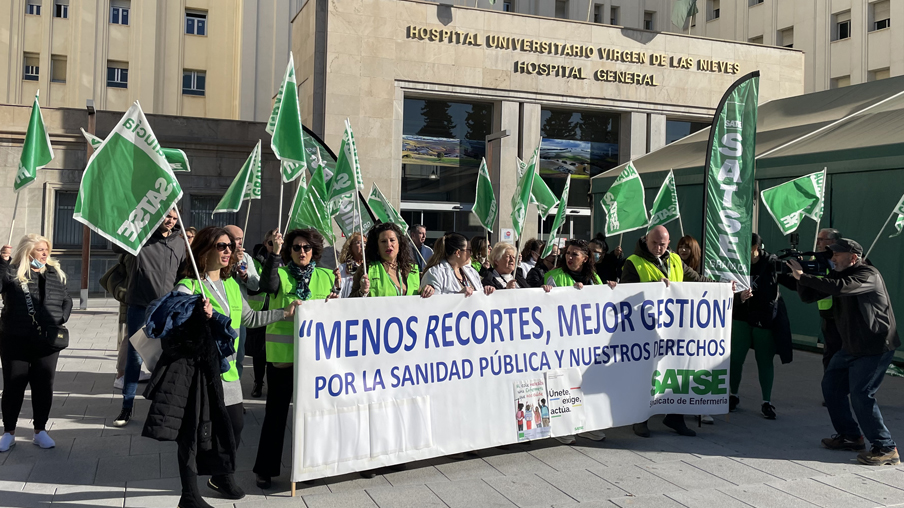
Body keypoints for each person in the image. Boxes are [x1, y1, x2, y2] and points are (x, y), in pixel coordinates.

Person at [173, 226, 294, 503]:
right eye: (221, 246)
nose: (229, 251)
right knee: (193, 434)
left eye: (230, 246)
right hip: (198, 373)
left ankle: (221, 475)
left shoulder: (231, 285)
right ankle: (189, 494)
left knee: (234, 427)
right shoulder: (189, 286)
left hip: (227, 373)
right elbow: (176, 328)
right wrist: (197, 316)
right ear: (204, 250)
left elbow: (249, 319)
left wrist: (283, 313)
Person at [789, 238, 901, 466]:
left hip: (874, 347)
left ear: (853, 257)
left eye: (837, 255)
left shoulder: (868, 275)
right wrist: (800, 276)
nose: (832, 258)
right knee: (831, 388)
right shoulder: (839, 275)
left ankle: (886, 447)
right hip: (850, 346)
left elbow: (840, 288)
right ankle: (850, 436)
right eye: (831, 254)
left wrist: (804, 276)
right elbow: (808, 296)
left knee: (862, 394)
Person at [622, 225, 730, 438]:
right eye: (654, 243)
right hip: (646, 330)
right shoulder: (633, 262)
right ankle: (640, 419)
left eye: (663, 244)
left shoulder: (674, 260)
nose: (659, 248)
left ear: (669, 243)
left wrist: (724, 287)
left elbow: (697, 281)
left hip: (672, 331)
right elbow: (627, 294)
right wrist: (655, 287)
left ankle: (675, 416)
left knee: (676, 369)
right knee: (645, 374)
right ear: (646, 240)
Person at [253, 229, 337, 489]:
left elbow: (339, 309)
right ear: (289, 250)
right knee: (276, 415)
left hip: (315, 360)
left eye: (307, 248)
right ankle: (265, 470)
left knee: (314, 415)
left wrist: (337, 298)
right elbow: (266, 286)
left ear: (315, 251)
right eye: (297, 247)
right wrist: (274, 255)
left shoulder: (325, 275)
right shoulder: (280, 273)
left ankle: (310, 467)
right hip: (284, 358)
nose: (303, 252)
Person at [113, 207, 186, 427]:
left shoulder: (180, 243)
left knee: (165, 356)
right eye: (167, 216)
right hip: (140, 305)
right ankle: (126, 406)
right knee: (135, 357)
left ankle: (163, 405)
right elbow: (116, 243)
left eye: (174, 218)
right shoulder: (140, 237)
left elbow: (183, 273)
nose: (171, 221)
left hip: (166, 308)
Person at [0, 235, 71, 452]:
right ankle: (8, 432)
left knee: (43, 386)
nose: (44, 253)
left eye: (46, 249)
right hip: (15, 338)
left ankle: (40, 430)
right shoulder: (12, 271)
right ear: (28, 251)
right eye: (40, 250)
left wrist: (61, 317)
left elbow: (66, 299)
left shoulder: (54, 272)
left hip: (47, 341)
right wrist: (2, 262)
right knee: (13, 385)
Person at [541, 239, 614, 444]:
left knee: (587, 382)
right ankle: (563, 427)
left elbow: (603, 304)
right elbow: (547, 305)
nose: (570, 257)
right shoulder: (554, 276)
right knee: (563, 381)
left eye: (575, 254)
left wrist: (610, 288)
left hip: (587, 342)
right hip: (562, 341)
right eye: (568, 253)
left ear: (585, 258)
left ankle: (588, 425)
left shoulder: (594, 278)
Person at [729, 233, 794, 420]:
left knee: (764, 360)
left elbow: (791, 282)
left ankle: (767, 401)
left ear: (755, 248)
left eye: (744, 247)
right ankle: (733, 395)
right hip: (740, 315)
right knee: (735, 358)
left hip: (764, 317)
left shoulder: (771, 262)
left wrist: (802, 276)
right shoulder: (735, 262)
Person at [351, 223, 431, 298]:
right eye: (383, 241)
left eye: (392, 240)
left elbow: (418, 296)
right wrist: (361, 292)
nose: (388, 245)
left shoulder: (412, 269)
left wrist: (428, 290)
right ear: (376, 246)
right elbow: (349, 303)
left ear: (399, 244)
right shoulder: (366, 269)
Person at [225, 225, 260, 381]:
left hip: (239, 312)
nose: (238, 242)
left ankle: (235, 394)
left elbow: (256, 285)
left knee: (238, 355)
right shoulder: (216, 254)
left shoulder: (246, 258)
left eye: (240, 239)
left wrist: (245, 276)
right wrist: (232, 262)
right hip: (220, 310)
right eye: (235, 239)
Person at [246, 230, 278, 398]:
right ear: (266, 243)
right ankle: (258, 383)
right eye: (271, 243)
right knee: (259, 352)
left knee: (273, 350)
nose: (274, 246)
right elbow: (253, 284)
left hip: (276, 308)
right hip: (258, 310)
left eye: (278, 242)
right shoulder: (254, 260)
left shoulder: (284, 260)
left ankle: (272, 384)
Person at [421, 232, 494, 297]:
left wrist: (486, 291)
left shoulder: (472, 272)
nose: (471, 254)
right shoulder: (435, 273)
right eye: (469, 250)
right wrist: (458, 297)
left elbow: (480, 295)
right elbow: (432, 306)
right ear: (458, 253)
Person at [335, 232, 364, 299]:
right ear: (350, 247)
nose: (362, 245)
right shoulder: (343, 268)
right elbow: (339, 293)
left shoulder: (371, 267)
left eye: (365, 243)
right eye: (359, 242)